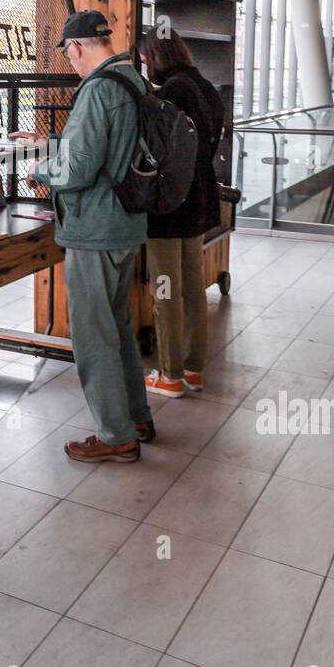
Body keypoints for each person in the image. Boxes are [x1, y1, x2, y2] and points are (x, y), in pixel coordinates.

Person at [16, 9, 155, 464]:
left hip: (95, 227)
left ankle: (116, 435)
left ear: (76, 47)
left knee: (93, 337)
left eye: (69, 54)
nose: (71, 63)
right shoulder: (131, 78)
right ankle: (135, 416)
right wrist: (51, 142)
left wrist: (41, 169)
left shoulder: (97, 89)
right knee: (115, 328)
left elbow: (77, 168)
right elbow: (104, 147)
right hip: (126, 222)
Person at [137, 28, 225, 398]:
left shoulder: (170, 93)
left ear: (157, 56)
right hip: (200, 200)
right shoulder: (207, 89)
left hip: (170, 206)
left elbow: (155, 153)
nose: (143, 66)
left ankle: (169, 374)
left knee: (165, 289)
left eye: (144, 60)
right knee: (191, 285)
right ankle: (193, 368)